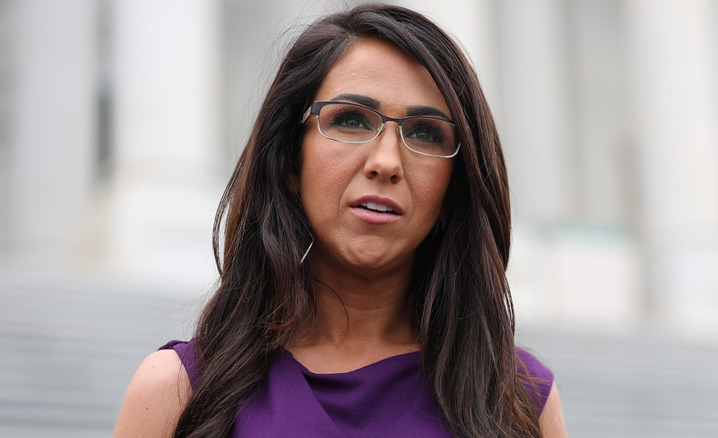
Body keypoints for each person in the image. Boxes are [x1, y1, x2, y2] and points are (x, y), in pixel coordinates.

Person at [113, 3, 566, 437]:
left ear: (453, 187)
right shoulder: (177, 392)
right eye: (351, 119)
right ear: (291, 160)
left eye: (426, 133)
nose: (386, 162)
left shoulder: (520, 399)